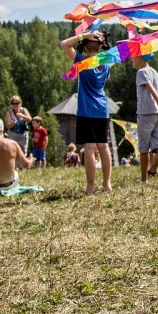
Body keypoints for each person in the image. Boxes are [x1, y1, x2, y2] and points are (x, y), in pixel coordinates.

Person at [60, 30, 113, 194]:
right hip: (102, 110)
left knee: (89, 149)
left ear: (85, 47)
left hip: (86, 109)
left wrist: (84, 35)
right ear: (100, 46)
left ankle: (90, 186)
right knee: (104, 148)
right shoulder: (106, 62)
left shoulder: (82, 62)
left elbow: (64, 44)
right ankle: (107, 184)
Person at [132, 54, 158, 183]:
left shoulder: (141, 72)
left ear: (140, 58)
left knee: (144, 148)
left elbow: (150, 87)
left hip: (146, 112)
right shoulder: (154, 71)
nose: (132, 60)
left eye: (133, 58)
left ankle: (144, 180)